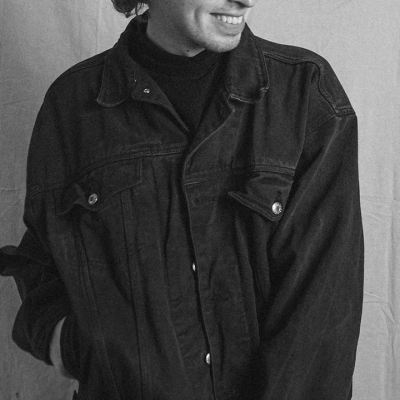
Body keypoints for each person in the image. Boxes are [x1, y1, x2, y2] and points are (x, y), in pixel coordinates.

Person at [0, 0, 364, 399]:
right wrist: (71, 343)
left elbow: (322, 318)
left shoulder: (306, 95)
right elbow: (42, 260)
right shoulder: (73, 105)